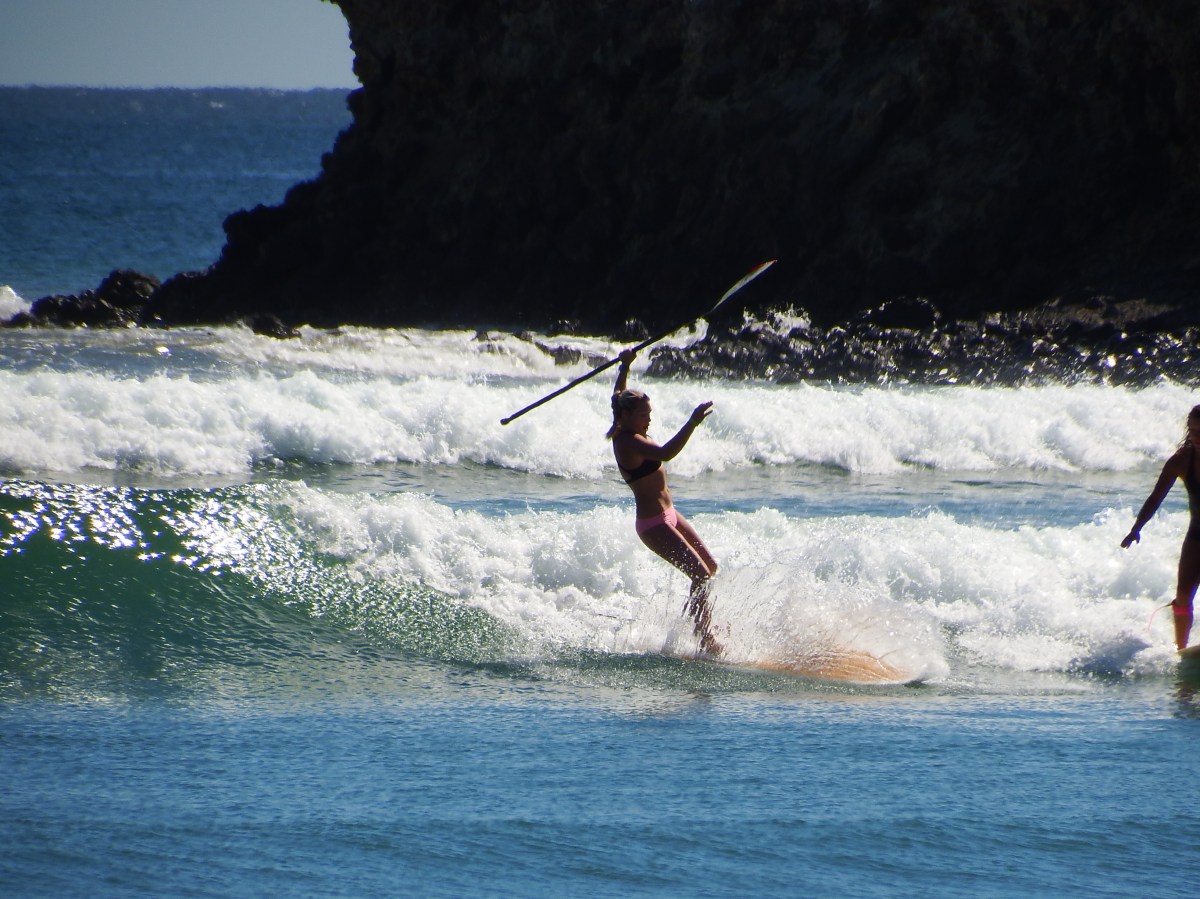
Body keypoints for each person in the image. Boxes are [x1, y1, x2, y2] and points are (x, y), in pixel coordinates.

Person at [607, 347, 722, 654]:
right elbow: (666, 453)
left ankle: (703, 626)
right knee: (700, 574)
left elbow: (617, 396)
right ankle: (704, 638)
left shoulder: (623, 416)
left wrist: (625, 366)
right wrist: (692, 423)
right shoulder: (627, 441)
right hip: (653, 524)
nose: (649, 419)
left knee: (710, 568)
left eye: (649, 414)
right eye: (643, 415)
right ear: (627, 416)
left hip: (669, 514)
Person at [1121, 404, 1200, 650]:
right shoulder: (1181, 460)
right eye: (1193, 431)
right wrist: (1136, 528)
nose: (1197, 437)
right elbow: (1156, 497)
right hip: (1197, 535)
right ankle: (1182, 650)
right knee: (1183, 596)